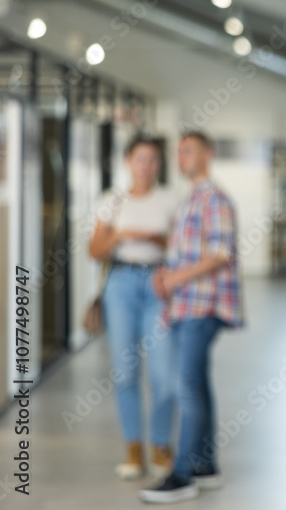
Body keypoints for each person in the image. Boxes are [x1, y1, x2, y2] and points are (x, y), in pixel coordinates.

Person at [140, 130, 243, 504]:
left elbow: (219, 254)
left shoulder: (213, 199)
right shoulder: (191, 200)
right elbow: (186, 253)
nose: (181, 158)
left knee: (186, 387)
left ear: (207, 154)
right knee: (196, 384)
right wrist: (166, 278)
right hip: (186, 305)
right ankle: (205, 465)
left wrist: (174, 280)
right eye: (178, 152)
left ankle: (181, 473)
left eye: (188, 151)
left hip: (202, 306)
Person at [89, 134, 181, 481]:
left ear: (160, 164)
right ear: (128, 161)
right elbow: (95, 251)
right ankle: (133, 449)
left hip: (158, 284)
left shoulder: (170, 200)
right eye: (140, 159)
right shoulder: (111, 201)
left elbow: (181, 247)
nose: (147, 166)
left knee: (164, 377)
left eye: (153, 159)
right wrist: (122, 234)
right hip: (121, 286)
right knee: (125, 372)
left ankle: (160, 445)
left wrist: (156, 239)